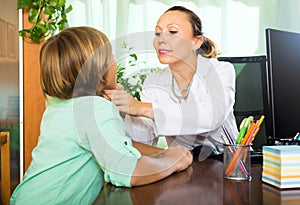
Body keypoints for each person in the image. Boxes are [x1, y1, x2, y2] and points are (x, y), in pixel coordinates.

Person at [10, 26, 193, 204]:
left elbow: (121, 144)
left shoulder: (61, 107)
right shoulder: (94, 109)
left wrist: (165, 153)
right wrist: (174, 162)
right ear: (100, 71)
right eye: (112, 57)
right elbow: (128, 172)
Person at [105, 6, 239, 158]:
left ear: (196, 42)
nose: (161, 39)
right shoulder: (153, 81)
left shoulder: (221, 71)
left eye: (173, 32)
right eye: (157, 33)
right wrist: (124, 112)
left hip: (228, 163)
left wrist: (141, 108)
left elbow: (210, 118)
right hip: (183, 165)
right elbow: (145, 137)